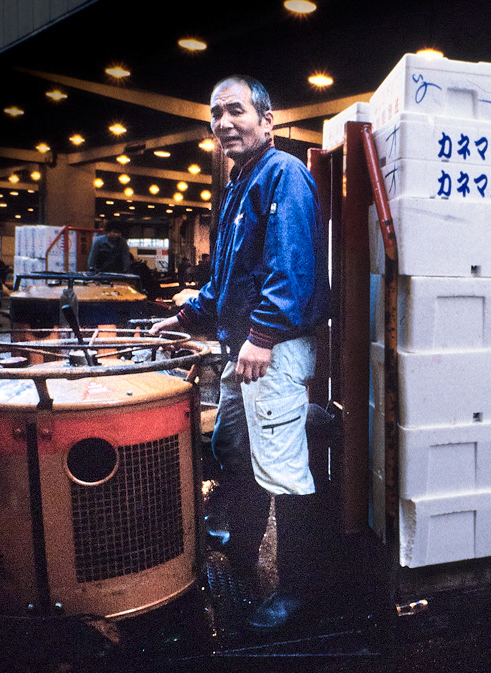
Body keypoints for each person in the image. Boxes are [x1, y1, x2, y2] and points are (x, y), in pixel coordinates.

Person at [150, 75, 330, 631]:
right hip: (244, 350)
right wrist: (184, 316)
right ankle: (240, 549)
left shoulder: (283, 175)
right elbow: (229, 280)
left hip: (269, 352)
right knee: (235, 451)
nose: (224, 123)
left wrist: (264, 335)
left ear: (267, 121)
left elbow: (292, 268)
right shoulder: (239, 186)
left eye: (236, 111)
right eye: (215, 115)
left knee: (284, 470)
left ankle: (300, 593)